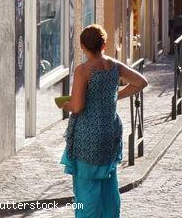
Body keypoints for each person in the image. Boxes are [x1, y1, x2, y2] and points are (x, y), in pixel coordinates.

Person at [62, 25, 148, 218]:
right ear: (104, 44)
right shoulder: (114, 66)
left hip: (87, 136)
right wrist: (115, 95)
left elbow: (77, 107)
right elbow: (141, 82)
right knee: (108, 184)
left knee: (86, 188)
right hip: (110, 132)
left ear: (82, 46)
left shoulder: (83, 70)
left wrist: (66, 105)